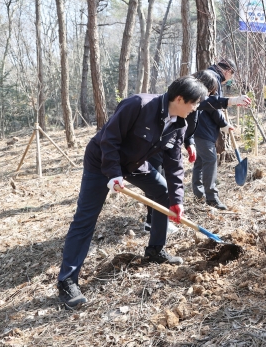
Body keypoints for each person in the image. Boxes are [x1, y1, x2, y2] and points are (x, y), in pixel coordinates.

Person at [57, 76, 207, 307]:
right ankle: (67, 281)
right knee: (85, 218)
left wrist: (177, 201)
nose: (195, 108)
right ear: (179, 98)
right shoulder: (138, 105)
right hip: (102, 162)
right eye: (194, 103)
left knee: (163, 193)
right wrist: (113, 173)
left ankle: (155, 249)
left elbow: (174, 165)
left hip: (135, 165)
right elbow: (109, 138)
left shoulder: (179, 124)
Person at [143, 70, 221, 232]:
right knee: (158, 184)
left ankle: (158, 222)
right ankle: (152, 221)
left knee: (163, 183)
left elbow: (185, 127)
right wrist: (234, 101)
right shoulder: (185, 99)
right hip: (155, 146)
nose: (208, 96)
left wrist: (188, 142)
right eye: (209, 91)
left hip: (170, 144)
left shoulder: (191, 104)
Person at [192, 59, 241, 210]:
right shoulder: (213, 79)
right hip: (203, 127)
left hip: (197, 125)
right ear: (227, 71)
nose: (230, 79)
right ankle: (212, 198)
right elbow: (212, 106)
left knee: (201, 160)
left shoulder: (206, 74)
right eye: (231, 75)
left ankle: (198, 193)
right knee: (210, 159)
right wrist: (223, 124)